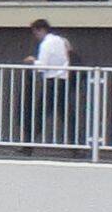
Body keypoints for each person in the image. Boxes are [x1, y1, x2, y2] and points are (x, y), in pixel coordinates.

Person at [25, 16, 75, 151]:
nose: (36, 36)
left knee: (39, 115)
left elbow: (43, 65)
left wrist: (32, 61)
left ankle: (28, 146)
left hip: (52, 82)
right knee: (67, 116)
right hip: (63, 80)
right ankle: (76, 147)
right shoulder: (61, 40)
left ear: (40, 30)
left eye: (35, 33)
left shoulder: (46, 44)